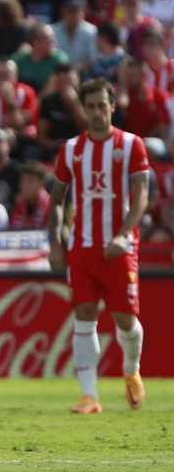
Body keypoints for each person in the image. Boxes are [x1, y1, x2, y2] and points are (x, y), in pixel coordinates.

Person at [47, 78, 151, 415]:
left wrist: (123, 234)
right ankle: (89, 396)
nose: (96, 112)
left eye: (101, 105)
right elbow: (58, 198)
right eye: (89, 106)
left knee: (125, 319)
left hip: (119, 247)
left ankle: (131, 369)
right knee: (84, 316)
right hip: (83, 247)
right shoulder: (72, 149)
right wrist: (56, 242)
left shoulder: (132, 145)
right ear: (83, 109)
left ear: (112, 106)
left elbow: (141, 196)